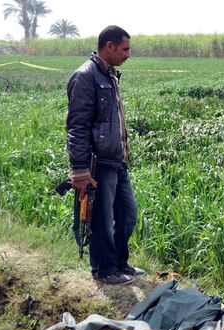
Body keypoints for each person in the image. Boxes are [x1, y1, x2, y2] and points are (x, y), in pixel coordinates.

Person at [66, 25, 144, 285]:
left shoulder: (109, 75)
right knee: (102, 217)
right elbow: (77, 125)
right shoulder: (86, 76)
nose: (128, 54)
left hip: (117, 160)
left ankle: (120, 262)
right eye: (125, 49)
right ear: (108, 46)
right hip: (98, 163)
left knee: (128, 213)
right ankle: (104, 269)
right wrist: (79, 169)